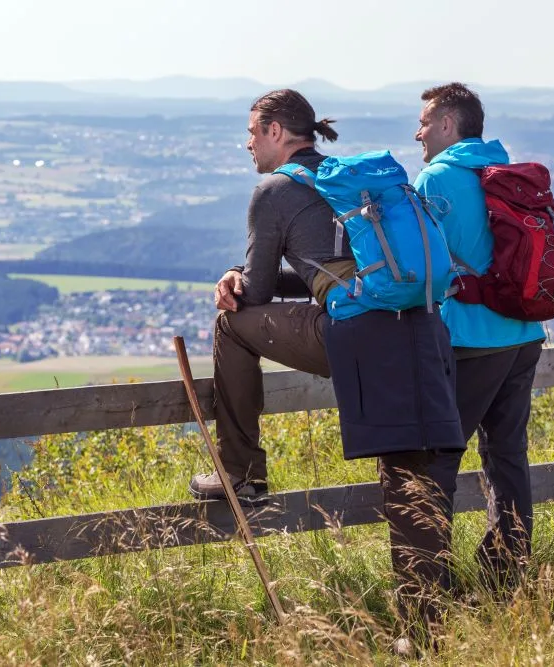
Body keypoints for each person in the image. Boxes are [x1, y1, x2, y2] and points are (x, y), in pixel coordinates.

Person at [187, 89, 464, 641]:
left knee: (230, 325)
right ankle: (427, 630)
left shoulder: (275, 191)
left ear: (275, 131)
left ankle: (239, 471)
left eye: (252, 132)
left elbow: (255, 293)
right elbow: (336, 270)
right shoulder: (350, 183)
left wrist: (235, 277)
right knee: (415, 482)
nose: (247, 144)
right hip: (420, 330)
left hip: (359, 335)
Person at [413, 82, 547, 592]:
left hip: (471, 337)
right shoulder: (503, 170)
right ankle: (506, 576)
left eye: (425, 122)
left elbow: (420, 262)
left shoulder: (438, 177)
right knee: (507, 455)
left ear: (448, 125)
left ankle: (431, 585)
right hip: (523, 332)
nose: (418, 133)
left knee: (439, 456)